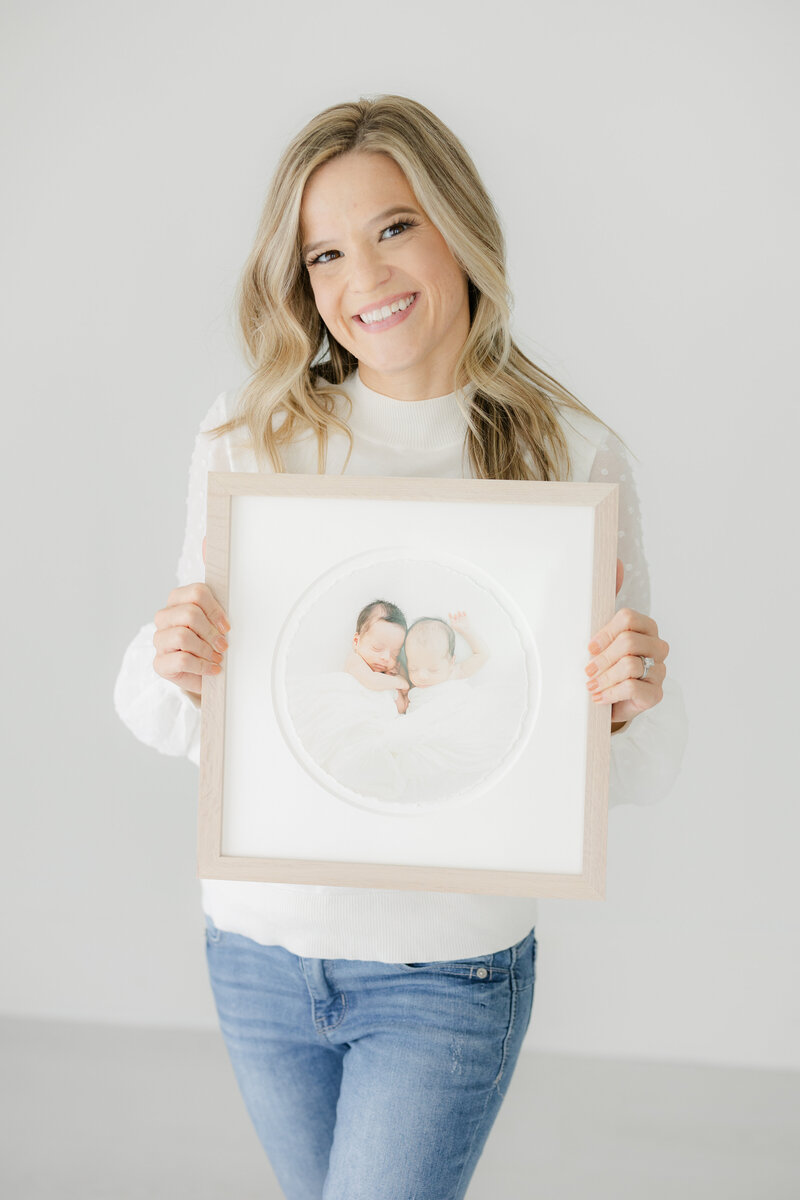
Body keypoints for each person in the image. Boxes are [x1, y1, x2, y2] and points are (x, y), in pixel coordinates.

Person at [113, 94, 687, 1200]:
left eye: (391, 229)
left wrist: (628, 700)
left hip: (447, 968)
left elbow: (644, 771)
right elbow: (173, 723)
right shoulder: (251, 438)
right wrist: (169, 654)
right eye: (323, 253)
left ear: (456, 226)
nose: (361, 280)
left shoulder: (570, 456)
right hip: (255, 949)